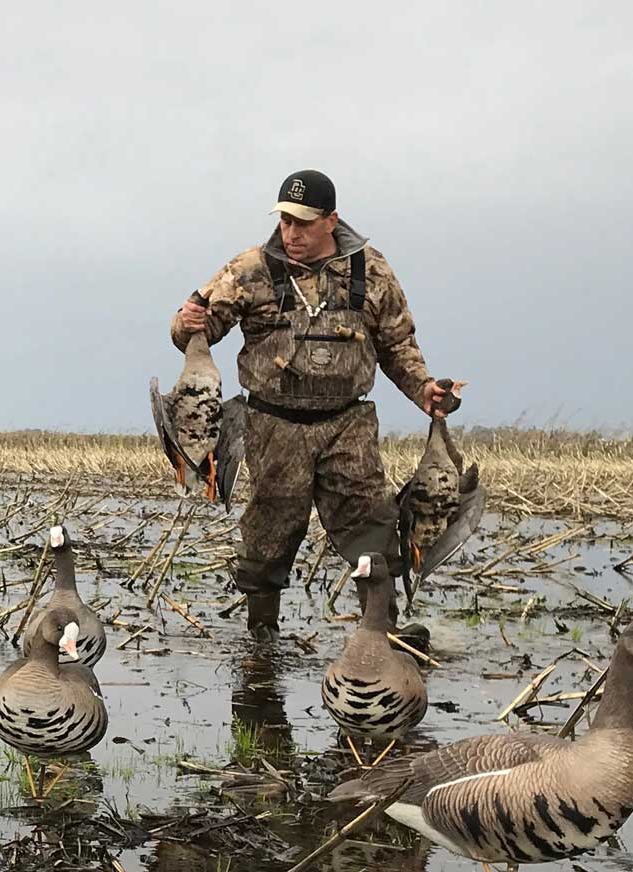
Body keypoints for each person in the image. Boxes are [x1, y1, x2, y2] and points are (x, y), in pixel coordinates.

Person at [172, 169, 456, 640]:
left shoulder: (372, 269)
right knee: (268, 534)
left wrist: (425, 390)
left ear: (331, 220)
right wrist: (186, 322)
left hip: (348, 425)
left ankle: (380, 635)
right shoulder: (249, 269)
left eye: (302, 223)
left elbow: (398, 345)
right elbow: (194, 333)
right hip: (273, 425)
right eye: (285, 221)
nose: (291, 233)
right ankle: (261, 639)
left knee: (373, 529)